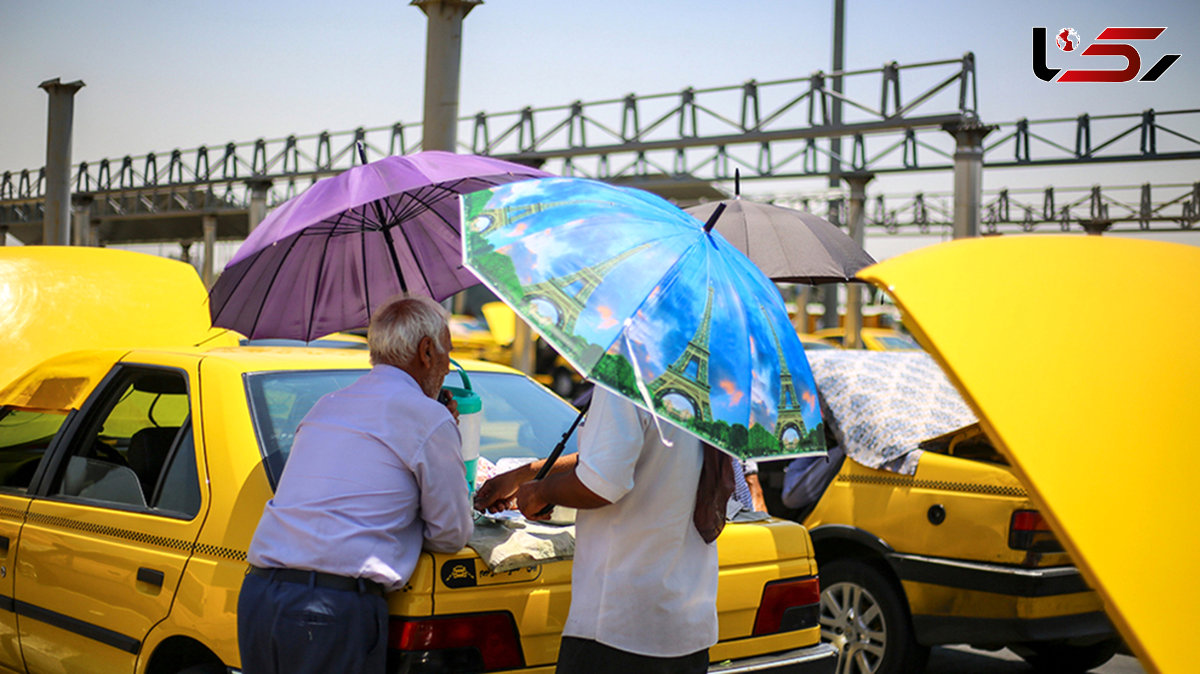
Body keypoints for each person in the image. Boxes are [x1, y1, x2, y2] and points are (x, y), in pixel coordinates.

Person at [237, 294, 474, 674]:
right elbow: (451, 533)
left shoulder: (326, 404)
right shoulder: (428, 418)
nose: (448, 367)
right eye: (447, 352)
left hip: (261, 598)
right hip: (331, 611)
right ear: (426, 351)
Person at [474, 387, 718, 674]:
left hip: (620, 627)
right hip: (687, 624)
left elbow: (603, 482)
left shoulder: (628, 371)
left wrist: (540, 492)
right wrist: (525, 474)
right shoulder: (701, 379)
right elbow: (613, 456)